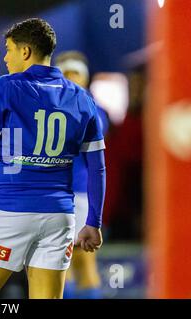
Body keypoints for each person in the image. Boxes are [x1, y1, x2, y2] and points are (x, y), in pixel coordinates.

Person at [0, 18, 106, 299]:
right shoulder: (83, 98)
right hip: (59, 217)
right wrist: (94, 222)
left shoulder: (5, 88)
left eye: (8, 49)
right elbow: (97, 168)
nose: (5, 57)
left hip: (10, 212)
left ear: (26, 51)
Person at [55, 51, 109, 299]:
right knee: (58, 263)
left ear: (84, 79)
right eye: (65, 75)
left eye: (74, 75)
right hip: (54, 192)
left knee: (80, 261)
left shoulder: (94, 111)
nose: (70, 81)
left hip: (78, 194)